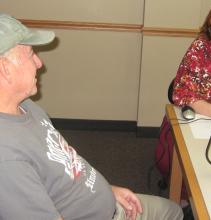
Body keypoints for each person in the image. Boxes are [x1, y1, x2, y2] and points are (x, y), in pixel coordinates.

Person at [0, 13, 183, 220]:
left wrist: (108, 190)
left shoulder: (24, 105)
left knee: (173, 211)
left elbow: (65, 164)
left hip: (105, 202)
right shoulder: (7, 159)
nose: (39, 63)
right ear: (5, 69)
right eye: (31, 53)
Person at [155, 3, 211, 202]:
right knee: (172, 160)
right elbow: (179, 92)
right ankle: (183, 198)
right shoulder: (200, 48)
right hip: (194, 115)